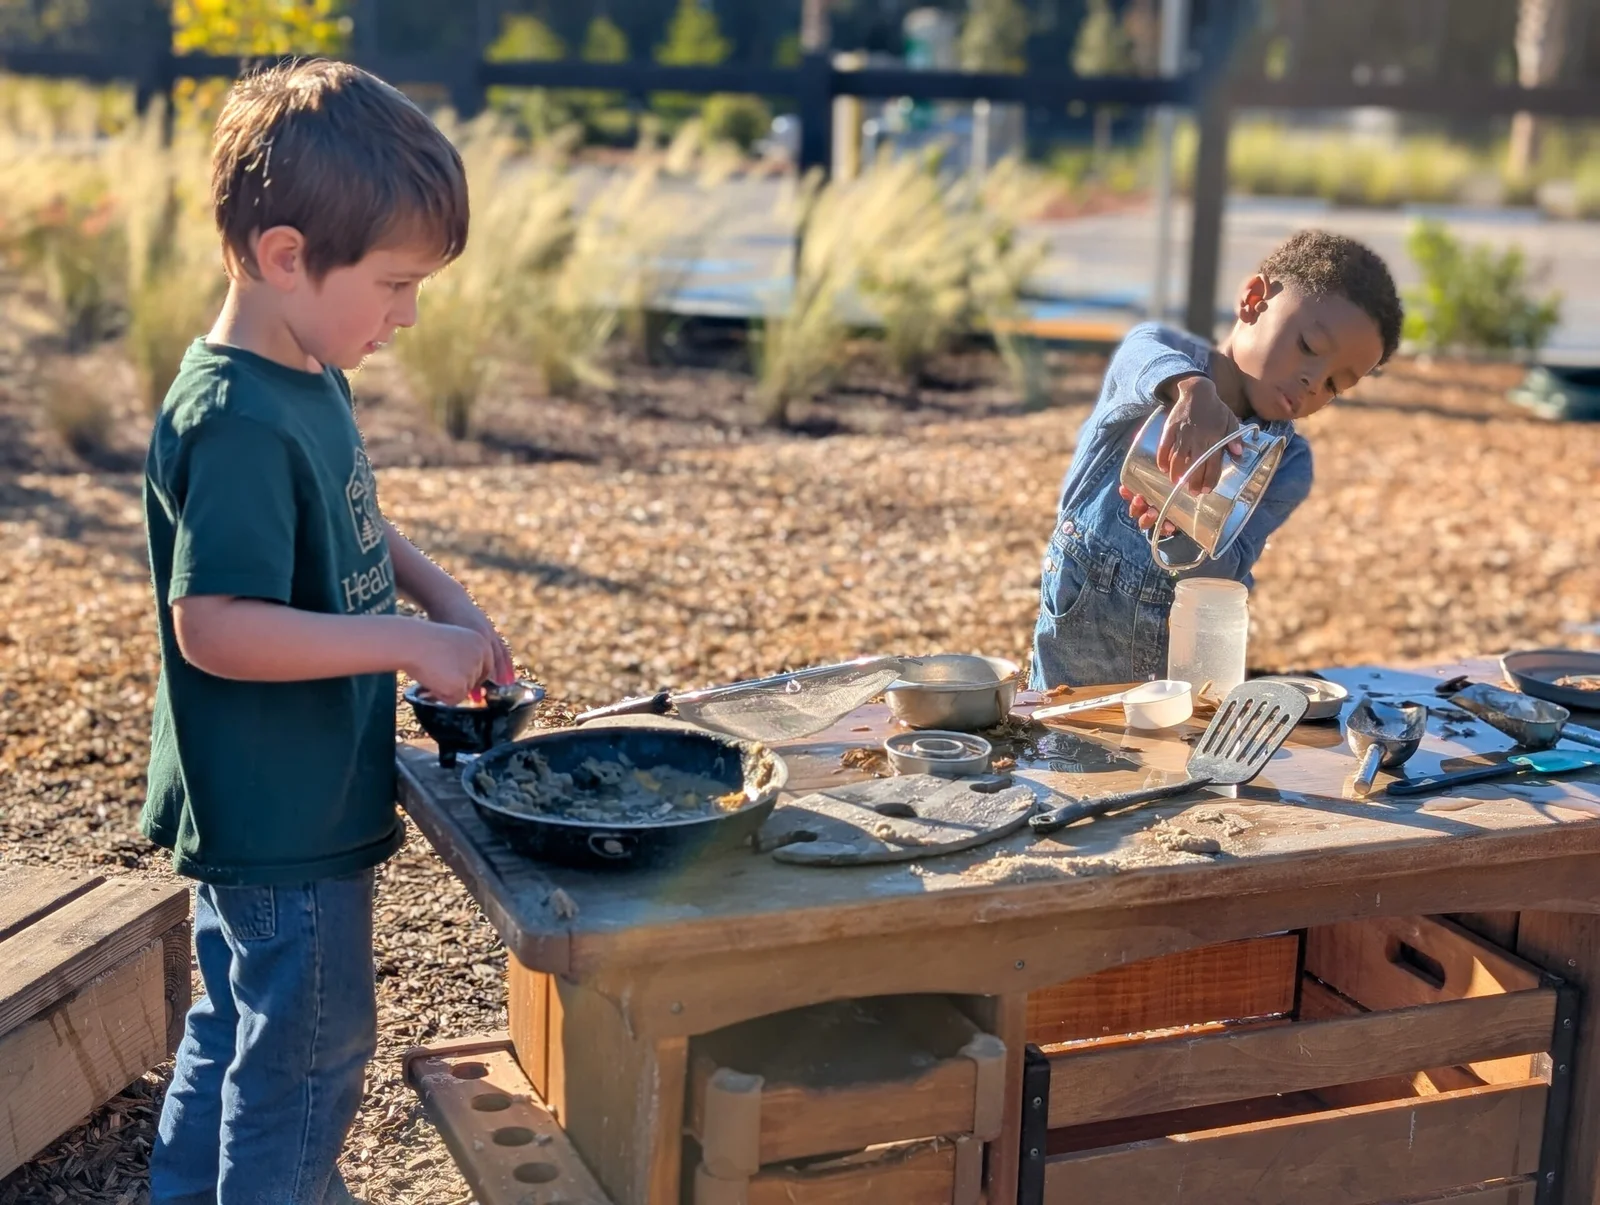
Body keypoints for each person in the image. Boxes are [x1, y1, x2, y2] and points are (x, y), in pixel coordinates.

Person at [140, 60, 512, 1205]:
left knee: (237, 1013)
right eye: (395, 284)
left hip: (276, 789)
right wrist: (404, 645)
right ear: (287, 254)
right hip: (277, 807)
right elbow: (215, 626)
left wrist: (441, 597)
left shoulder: (304, 367)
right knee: (309, 1050)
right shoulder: (238, 418)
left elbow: (354, 515)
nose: (408, 314)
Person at [1030, 229, 1403, 689]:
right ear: (1253, 301)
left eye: (1334, 385)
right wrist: (1191, 389)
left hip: (1187, 669)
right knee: (1064, 752)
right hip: (1076, 657)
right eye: (1308, 347)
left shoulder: (1287, 464)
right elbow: (1140, 357)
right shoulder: (1163, 357)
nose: (1312, 381)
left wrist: (1181, 538)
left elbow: (1231, 565)